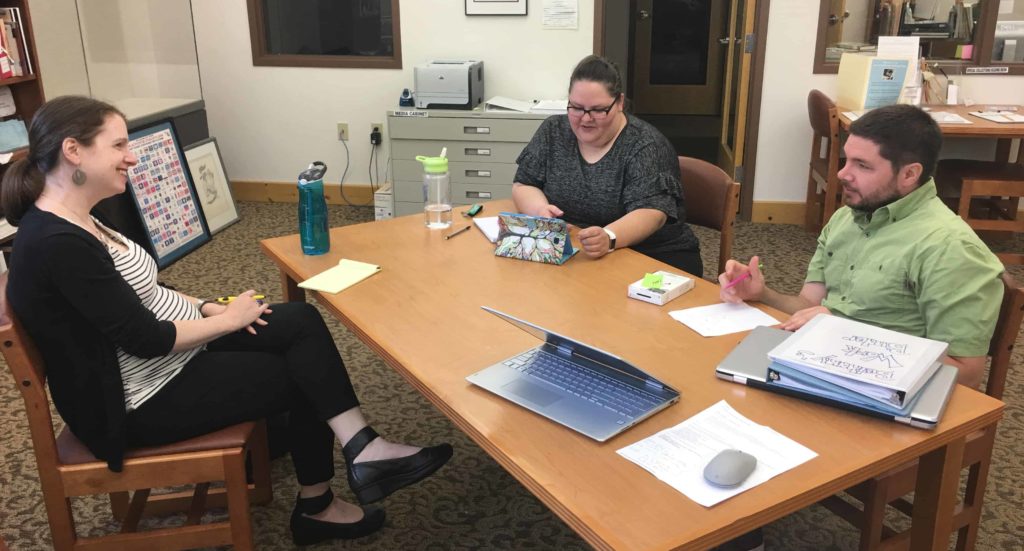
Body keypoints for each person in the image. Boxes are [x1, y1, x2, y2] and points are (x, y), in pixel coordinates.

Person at [1, 96, 453, 546]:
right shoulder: (58, 243)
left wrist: (206, 307)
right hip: (136, 401)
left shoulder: (77, 220)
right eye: (118, 145)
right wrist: (230, 319)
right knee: (299, 374)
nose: (132, 156)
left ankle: (362, 447)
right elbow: (145, 338)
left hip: (154, 365)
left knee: (299, 320)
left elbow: (146, 296)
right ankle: (319, 507)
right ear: (73, 150)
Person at [720, 104, 1004, 389]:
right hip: (825, 365)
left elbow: (965, 374)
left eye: (863, 165)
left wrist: (842, 333)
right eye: (847, 160)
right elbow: (808, 306)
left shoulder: (950, 248)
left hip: (886, 391)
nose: (843, 174)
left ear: (909, 175)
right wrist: (762, 294)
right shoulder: (847, 217)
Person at [512, 55, 704, 277]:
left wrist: (609, 237)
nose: (585, 119)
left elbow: (652, 212)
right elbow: (524, 184)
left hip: (651, 256)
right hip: (577, 254)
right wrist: (540, 211)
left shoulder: (645, 145)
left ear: (620, 102)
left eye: (598, 110)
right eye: (576, 107)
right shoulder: (553, 131)